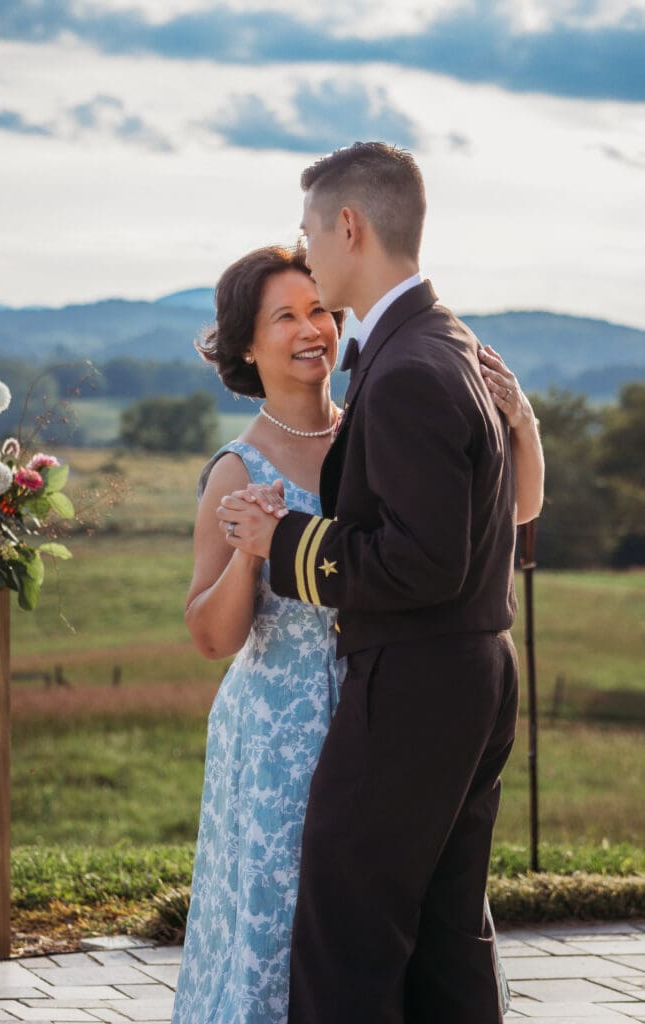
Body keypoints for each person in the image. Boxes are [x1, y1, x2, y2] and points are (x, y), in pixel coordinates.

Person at [172, 243, 543, 1022]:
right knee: (288, 922)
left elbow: (495, 524)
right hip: (281, 730)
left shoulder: (376, 425)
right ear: (246, 341)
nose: (313, 329)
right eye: (286, 316)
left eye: (320, 310)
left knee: (391, 914)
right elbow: (209, 635)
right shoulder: (237, 470)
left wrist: (521, 424)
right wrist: (251, 554)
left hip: (390, 702)